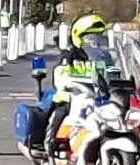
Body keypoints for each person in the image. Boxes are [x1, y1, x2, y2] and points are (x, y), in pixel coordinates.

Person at [42, 13, 108, 154]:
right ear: (79, 37)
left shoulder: (103, 58)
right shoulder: (70, 56)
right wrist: (67, 82)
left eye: (98, 38)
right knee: (60, 112)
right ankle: (49, 143)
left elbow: (111, 72)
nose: (94, 42)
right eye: (90, 38)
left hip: (96, 97)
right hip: (70, 97)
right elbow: (60, 73)